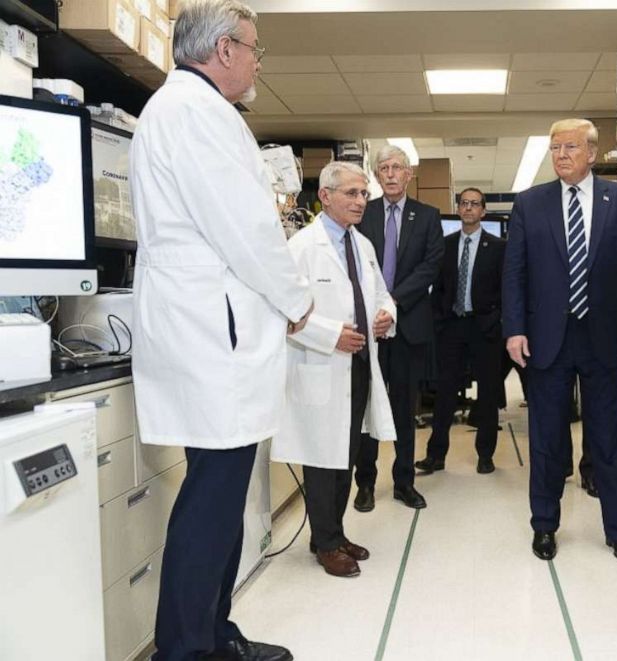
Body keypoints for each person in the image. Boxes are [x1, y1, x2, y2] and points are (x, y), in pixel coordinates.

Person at [129, 2, 313, 659]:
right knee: (212, 501)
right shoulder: (195, 114)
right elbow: (248, 229)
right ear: (223, 49)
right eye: (255, 47)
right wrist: (297, 300)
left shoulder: (189, 112)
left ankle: (211, 633)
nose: (259, 60)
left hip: (210, 335)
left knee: (219, 494)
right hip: (214, 339)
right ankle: (189, 648)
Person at [503, 118, 617, 563]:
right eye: (554, 148)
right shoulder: (531, 204)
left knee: (608, 439)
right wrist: (514, 329)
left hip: (603, 337)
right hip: (547, 338)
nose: (561, 155)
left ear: (591, 152)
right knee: (547, 437)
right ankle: (544, 526)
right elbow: (516, 272)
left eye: (570, 147)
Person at [272, 162, 397, 578]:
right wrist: (330, 336)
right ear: (325, 196)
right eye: (352, 193)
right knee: (322, 459)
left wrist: (386, 316)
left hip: (358, 364)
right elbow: (286, 311)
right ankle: (324, 542)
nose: (361, 201)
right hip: (321, 365)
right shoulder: (302, 248)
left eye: (364, 194)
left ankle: (335, 533)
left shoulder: (361, 245)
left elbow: (382, 293)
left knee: (346, 454)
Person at [354, 145, 444, 512]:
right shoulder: (363, 214)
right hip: (370, 328)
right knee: (367, 409)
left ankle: (403, 481)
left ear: (410, 175)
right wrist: (375, 306)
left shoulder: (427, 216)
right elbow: (356, 264)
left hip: (407, 326)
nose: (390, 174)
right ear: (376, 176)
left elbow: (430, 266)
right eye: (384, 168)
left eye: (397, 168)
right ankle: (365, 483)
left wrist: (390, 302)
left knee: (405, 410)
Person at [415, 188, 506, 475]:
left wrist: (497, 320)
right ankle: (436, 455)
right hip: (451, 326)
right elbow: (437, 289)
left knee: (489, 393)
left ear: (483, 211)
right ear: (458, 208)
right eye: (464, 203)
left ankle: (485, 455)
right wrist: (437, 320)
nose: (468, 208)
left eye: (474, 204)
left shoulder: (499, 247)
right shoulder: (445, 245)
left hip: (484, 328)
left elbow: (506, 290)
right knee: (444, 393)